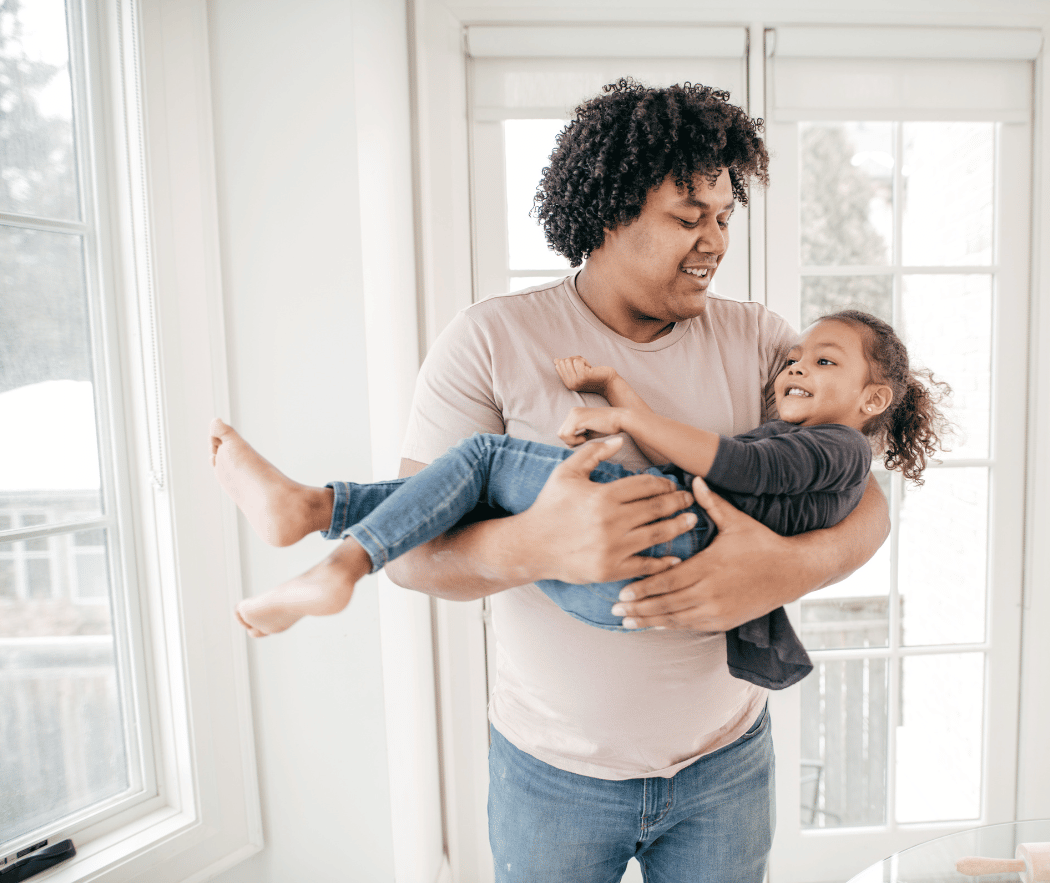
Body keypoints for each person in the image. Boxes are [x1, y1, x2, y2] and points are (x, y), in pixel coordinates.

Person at [390, 79, 891, 881]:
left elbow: (862, 490)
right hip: (552, 775)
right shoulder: (491, 340)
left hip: (727, 763)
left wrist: (787, 569)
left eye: (724, 217)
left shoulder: (760, 339)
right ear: (608, 211)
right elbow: (412, 554)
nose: (715, 242)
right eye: (688, 219)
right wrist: (533, 544)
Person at [209, 311, 949, 694]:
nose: (793, 362)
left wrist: (625, 418)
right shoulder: (490, 332)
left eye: (822, 361)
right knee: (480, 500)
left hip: (661, 547)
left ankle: (339, 561)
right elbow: (695, 458)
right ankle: (309, 507)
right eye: (690, 215)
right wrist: (616, 394)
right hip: (629, 587)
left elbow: (729, 462)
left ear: (872, 399)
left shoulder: (842, 448)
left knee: (484, 458)